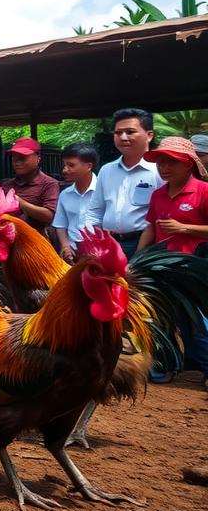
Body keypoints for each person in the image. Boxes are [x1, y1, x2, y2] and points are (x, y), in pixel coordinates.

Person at [137, 136, 208, 384]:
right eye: (160, 163)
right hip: (159, 267)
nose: (164, 168)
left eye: (171, 163)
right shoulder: (158, 194)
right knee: (159, 317)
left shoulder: (203, 191)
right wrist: (138, 257)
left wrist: (185, 229)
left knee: (195, 320)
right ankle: (163, 367)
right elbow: (150, 227)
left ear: (188, 164)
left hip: (191, 267)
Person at [84, 108, 163, 257]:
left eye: (130, 132)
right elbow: (95, 211)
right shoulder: (107, 170)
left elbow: (164, 214)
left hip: (145, 245)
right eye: (118, 133)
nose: (123, 137)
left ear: (149, 135)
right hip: (108, 242)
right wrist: (93, 241)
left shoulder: (160, 171)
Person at [0, 137, 59, 234]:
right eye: (14, 159)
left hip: (35, 241)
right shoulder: (7, 185)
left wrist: (19, 201)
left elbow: (48, 216)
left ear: (38, 158)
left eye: (22, 158)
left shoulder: (49, 184)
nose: (17, 162)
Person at [52, 143, 99, 263]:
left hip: (100, 253)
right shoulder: (65, 195)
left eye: (71, 165)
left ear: (89, 166)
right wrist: (65, 246)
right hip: (74, 254)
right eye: (64, 165)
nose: (65, 170)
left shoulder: (104, 192)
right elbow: (60, 225)